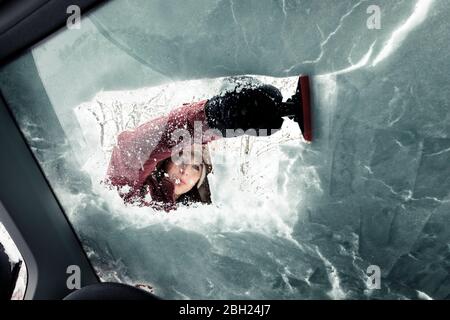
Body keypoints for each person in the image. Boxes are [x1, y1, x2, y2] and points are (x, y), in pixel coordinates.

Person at [106, 82, 289, 211]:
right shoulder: (133, 194)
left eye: (196, 167)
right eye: (181, 159)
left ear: (201, 179)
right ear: (165, 162)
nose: (186, 171)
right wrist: (210, 118)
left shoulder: (200, 220)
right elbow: (132, 149)